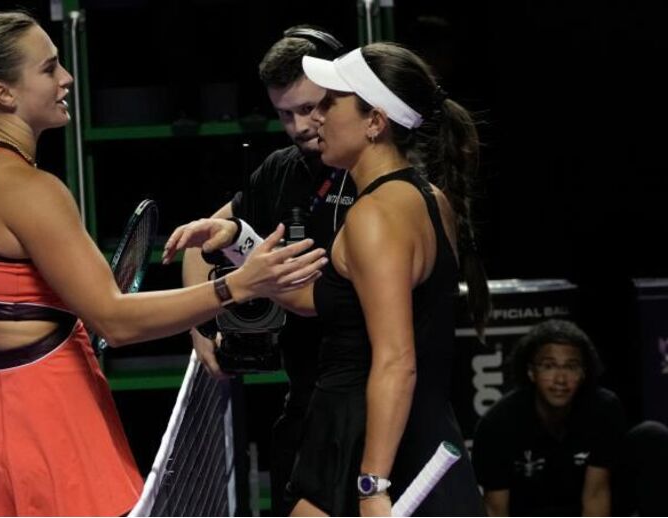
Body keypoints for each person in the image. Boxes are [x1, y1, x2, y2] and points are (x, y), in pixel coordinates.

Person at [0, 11, 327, 516]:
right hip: (51, 426)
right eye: (49, 68)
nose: (66, 78)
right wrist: (237, 285)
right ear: (3, 94)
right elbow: (117, 323)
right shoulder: (32, 191)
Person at [165, 41, 490, 516]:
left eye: (330, 103)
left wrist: (373, 484)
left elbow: (397, 360)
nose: (315, 119)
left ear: (375, 122)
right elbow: (315, 297)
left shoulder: (375, 217)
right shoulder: (426, 198)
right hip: (379, 431)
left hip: (369, 440)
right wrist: (237, 239)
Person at [179, 25, 357, 515]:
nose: (300, 126)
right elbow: (201, 242)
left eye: (312, 108)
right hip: (303, 404)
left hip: (370, 402)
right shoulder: (281, 169)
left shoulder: (380, 175)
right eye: (286, 113)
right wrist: (201, 331)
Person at [472, 319, 626, 516]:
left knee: (650, 436)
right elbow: (496, 508)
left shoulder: (603, 410)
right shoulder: (497, 425)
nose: (560, 379)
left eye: (571, 367)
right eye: (549, 366)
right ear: (531, 372)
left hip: (577, 510)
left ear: (583, 373)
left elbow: (596, 494)